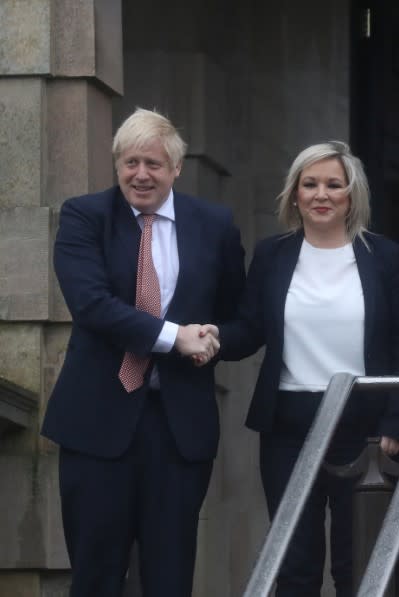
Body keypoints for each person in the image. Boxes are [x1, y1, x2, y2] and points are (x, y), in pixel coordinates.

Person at [41, 108, 246, 597]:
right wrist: (177, 336)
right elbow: (92, 305)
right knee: (95, 578)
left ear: (176, 169)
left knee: (170, 579)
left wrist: (214, 340)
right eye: (130, 162)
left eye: (153, 164)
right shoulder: (84, 216)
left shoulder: (214, 224)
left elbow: (243, 318)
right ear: (117, 166)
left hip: (178, 432)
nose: (140, 174)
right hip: (96, 425)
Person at [205, 141, 399, 596]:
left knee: (356, 565)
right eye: (311, 184)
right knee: (295, 565)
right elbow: (249, 329)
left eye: (333, 184)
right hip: (288, 426)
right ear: (295, 193)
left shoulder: (385, 257)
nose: (322, 194)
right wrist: (210, 339)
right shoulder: (272, 255)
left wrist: (396, 421)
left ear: (351, 194)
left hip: (363, 427)